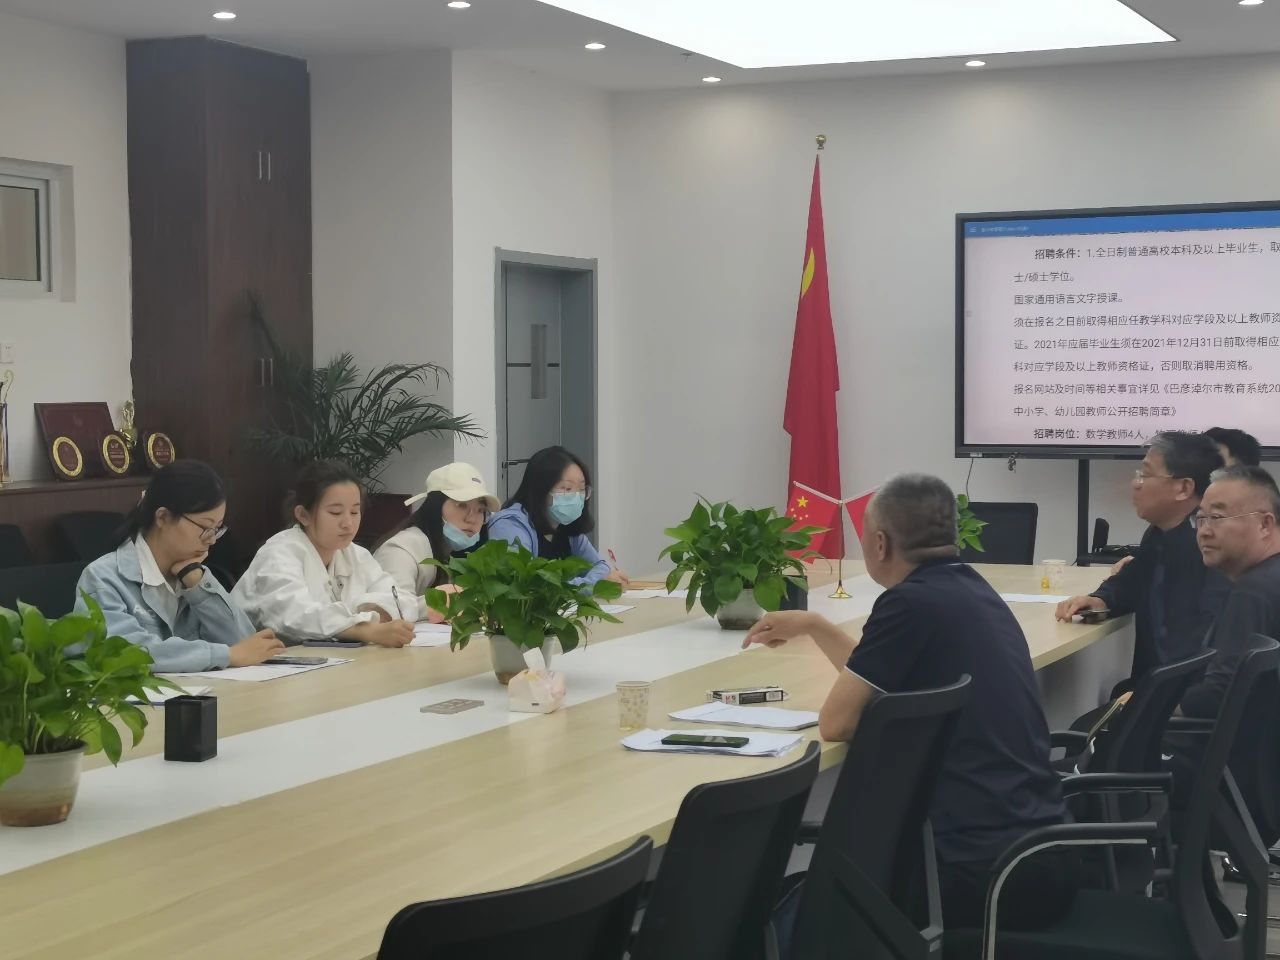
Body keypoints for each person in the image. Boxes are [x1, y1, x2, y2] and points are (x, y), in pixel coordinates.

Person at [746, 473, 1073, 934]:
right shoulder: (970, 591)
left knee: (771, 919)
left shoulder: (908, 604)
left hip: (970, 870)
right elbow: (882, 687)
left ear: (880, 544)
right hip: (1033, 851)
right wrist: (815, 626)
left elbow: (837, 722)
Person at [76, 460, 284, 672]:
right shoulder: (103, 578)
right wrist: (224, 655)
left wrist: (199, 588)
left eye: (217, 529)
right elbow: (125, 652)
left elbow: (246, 645)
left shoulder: (194, 577)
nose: (212, 540)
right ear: (163, 517)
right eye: (205, 527)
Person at [1056, 431, 1229, 683]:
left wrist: (1146, 696)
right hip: (1157, 683)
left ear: (1184, 488)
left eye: (1145, 475)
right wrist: (1100, 599)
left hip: (1179, 693)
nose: (1136, 483)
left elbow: (1190, 650)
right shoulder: (1161, 533)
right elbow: (1135, 578)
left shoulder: (1204, 548)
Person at [232, 460, 415, 646]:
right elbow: (295, 617)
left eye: (354, 512)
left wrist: (367, 611)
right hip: (258, 660)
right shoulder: (279, 554)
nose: (348, 524)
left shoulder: (356, 555)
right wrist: (365, 628)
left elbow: (402, 599)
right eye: (335, 512)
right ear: (303, 515)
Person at [1180, 465, 1280, 719]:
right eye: (1200, 519)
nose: (1204, 531)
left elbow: (1220, 694)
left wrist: (1152, 705)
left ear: (1265, 524)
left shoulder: (1253, 592)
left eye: (1217, 517)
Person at [487, 445, 629, 587]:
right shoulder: (509, 524)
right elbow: (528, 585)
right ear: (540, 489)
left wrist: (597, 580)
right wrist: (594, 583)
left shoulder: (567, 526)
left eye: (581, 489)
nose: (576, 497)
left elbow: (600, 566)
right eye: (567, 488)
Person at [372, 462, 498, 622]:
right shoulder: (401, 549)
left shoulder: (449, 552)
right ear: (435, 506)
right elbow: (391, 610)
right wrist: (445, 601)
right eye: (461, 505)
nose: (472, 519)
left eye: (481, 510)